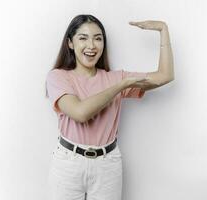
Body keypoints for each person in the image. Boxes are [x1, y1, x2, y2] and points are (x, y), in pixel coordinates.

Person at [45, 14, 174, 200]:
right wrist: (120, 86)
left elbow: (165, 76)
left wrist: (163, 30)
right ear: (70, 43)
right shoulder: (58, 77)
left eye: (98, 38)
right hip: (68, 163)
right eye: (83, 38)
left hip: (108, 165)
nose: (91, 45)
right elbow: (80, 113)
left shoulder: (116, 77)